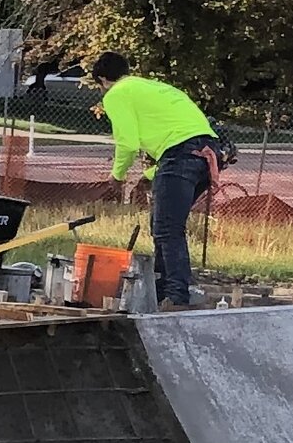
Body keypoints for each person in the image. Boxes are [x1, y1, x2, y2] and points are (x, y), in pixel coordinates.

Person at [85, 51, 223, 311]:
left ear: (103, 79)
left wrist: (117, 177)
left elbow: (127, 142)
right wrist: (148, 177)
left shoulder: (117, 93)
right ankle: (162, 293)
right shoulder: (151, 87)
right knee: (162, 224)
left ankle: (177, 297)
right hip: (208, 153)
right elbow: (169, 151)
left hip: (180, 154)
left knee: (168, 229)